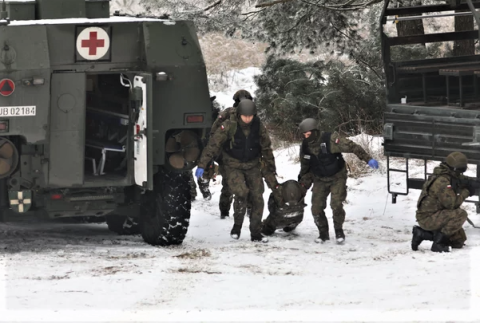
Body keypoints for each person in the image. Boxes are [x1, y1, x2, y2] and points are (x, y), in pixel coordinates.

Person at [195, 99, 281, 243]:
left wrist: (271, 168)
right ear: (239, 114)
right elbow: (213, 145)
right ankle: (237, 226)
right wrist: (202, 165)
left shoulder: (258, 126)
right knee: (241, 193)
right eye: (245, 116)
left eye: (250, 116)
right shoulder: (229, 125)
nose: (247, 119)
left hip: (253, 165)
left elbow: (266, 148)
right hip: (232, 164)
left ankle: (256, 232)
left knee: (258, 197)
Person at [297, 118, 379, 244]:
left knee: (336, 205)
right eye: (304, 135)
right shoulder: (305, 146)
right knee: (316, 208)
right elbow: (305, 167)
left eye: (308, 135)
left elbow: (352, 146)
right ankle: (323, 234)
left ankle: (339, 231)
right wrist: (302, 185)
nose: (306, 137)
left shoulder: (330, 139)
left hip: (337, 177)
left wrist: (368, 159)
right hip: (319, 178)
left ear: (314, 131)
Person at [412, 152, 473, 252]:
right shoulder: (442, 181)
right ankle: (438, 244)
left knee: (458, 242)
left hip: (432, 215)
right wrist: (466, 192)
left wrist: (470, 182)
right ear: (455, 168)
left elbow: (459, 178)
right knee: (461, 214)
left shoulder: (443, 173)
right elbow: (452, 204)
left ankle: (421, 234)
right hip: (428, 218)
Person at [208, 89, 254, 219]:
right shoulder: (227, 114)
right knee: (229, 184)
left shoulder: (251, 115)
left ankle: (249, 210)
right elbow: (214, 133)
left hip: (247, 154)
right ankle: (225, 211)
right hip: (228, 155)